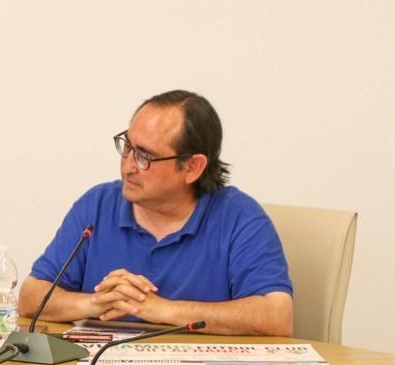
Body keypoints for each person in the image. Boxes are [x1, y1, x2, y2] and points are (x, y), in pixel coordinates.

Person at [19, 90, 292, 336]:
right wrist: (95, 302)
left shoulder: (239, 217)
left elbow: (276, 317)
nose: (127, 166)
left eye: (144, 156)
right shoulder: (97, 205)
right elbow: (31, 297)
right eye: (127, 147)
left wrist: (160, 310)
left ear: (192, 167)